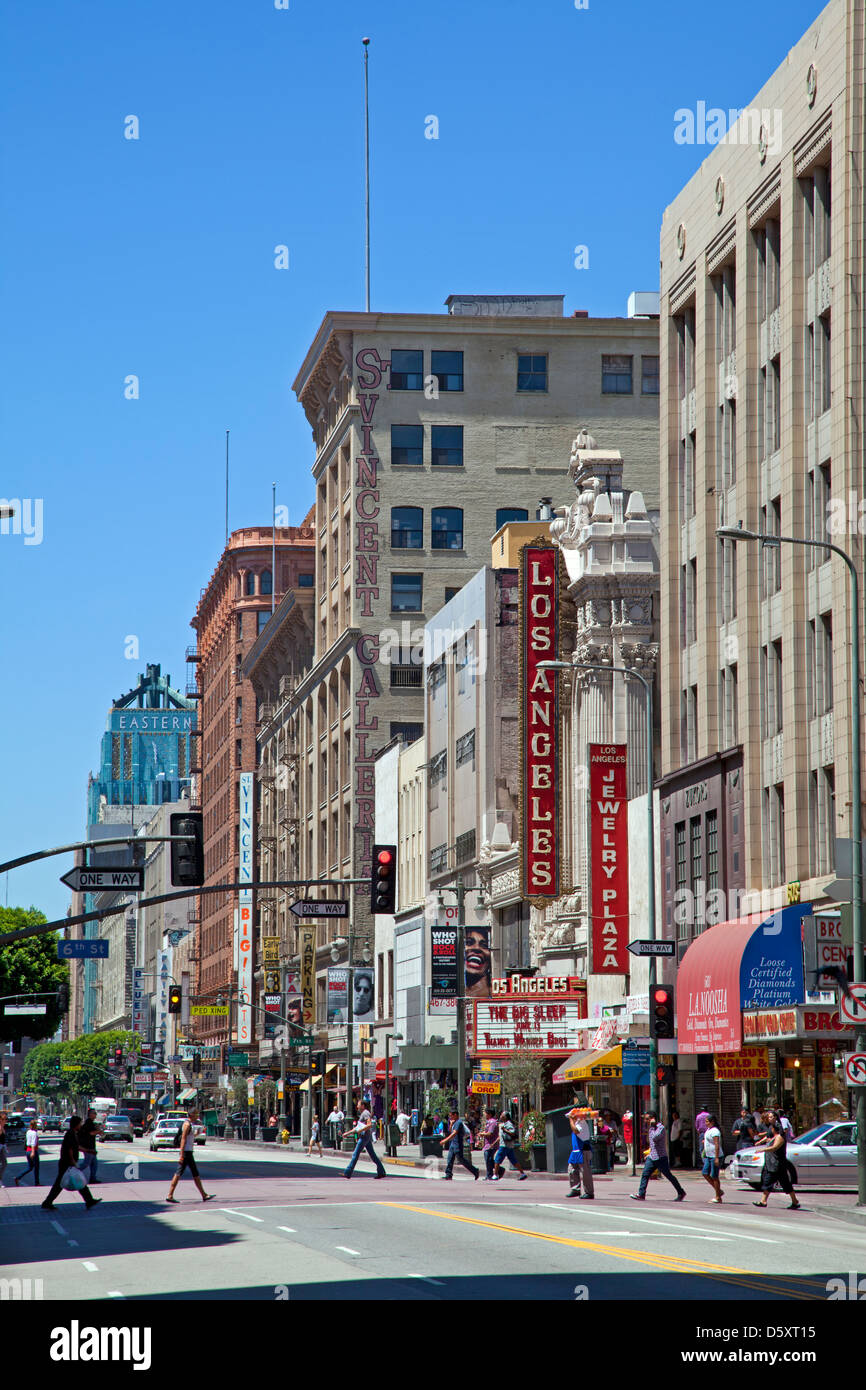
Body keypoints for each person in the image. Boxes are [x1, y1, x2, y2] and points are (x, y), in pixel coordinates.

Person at [41, 1116, 101, 1211]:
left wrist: (89, 1151)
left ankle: (89, 1200)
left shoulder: (73, 1133)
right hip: (67, 1163)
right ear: (76, 1124)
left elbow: (76, 1147)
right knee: (70, 1182)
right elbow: (70, 1149)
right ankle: (48, 1202)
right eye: (80, 1123)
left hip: (67, 1163)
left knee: (72, 1182)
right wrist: (73, 1162)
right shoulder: (70, 1134)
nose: (81, 1125)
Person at [631, 1112, 687, 1202]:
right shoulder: (651, 1128)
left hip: (660, 1157)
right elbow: (652, 1143)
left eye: (647, 1119)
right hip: (652, 1157)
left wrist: (653, 1126)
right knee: (645, 1174)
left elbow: (655, 1138)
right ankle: (641, 1194)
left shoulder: (660, 1128)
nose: (646, 1121)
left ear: (653, 1118)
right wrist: (649, 1153)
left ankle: (681, 1192)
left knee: (668, 1175)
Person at [753, 1111, 800, 1211]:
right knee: (785, 1183)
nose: (769, 1119)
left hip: (777, 1163)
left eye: (771, 1117)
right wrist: (760, 1142)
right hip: (773, 1162)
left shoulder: (780, 1137)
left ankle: (763, 1201)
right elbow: (768, 1137)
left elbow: (774, 1148)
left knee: (768, 1181)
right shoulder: (772, 1128)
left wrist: (761, 1149)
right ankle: (795, 1201)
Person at [165, 1111, 215, 1204]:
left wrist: (197, 1133)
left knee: (194, 1173)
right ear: (191, 1115)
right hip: (186, 1153)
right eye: (196, 1114)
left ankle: (204, 1195)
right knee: (179, 1173)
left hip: (189, 1152)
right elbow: (183, 1139)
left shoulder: (189, 1124)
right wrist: (181, 1154)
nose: (197, 1116)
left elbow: (189, 1137)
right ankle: (170, 1195)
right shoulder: (187, 1124)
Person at [344, 1102, 386, 1179]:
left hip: (364, 1137)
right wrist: (347, 1133)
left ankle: (348, 1172)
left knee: (355, 1154)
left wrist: (361, 1130)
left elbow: (369, 1125)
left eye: (358, 1104)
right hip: (366, 1137)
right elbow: (357, 1128)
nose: (357, 1106)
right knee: (373, 1156)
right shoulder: (363, 1114)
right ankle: (381, 1171)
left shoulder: (365, 1113)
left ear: (362, 1106)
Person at [440, 1110, 480, 1181]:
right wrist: (451, 1124)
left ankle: (475, 1171)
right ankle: (448, 1174)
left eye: (451, 1115)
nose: (450, 1117)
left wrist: (445, 1140)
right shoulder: (454, 1122)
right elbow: (450, 1131)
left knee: (461, 1160)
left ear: (455, 1115)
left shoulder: (459, 1122)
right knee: (450, 1159)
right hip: (453, 1144)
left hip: (458, 1144)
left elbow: (454, 1133)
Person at [565, 1109, 594, 1199]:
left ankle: (589, 1192)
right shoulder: (577, 1122)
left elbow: (576, 1131)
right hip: (576, 1150)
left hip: (583, 1150)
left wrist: (571, 1120)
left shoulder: (581, 1123)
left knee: (585, 1172)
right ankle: (575, 1189)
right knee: (571, 1169)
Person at [494, 1111, 528, 1181]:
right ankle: (522, 1173)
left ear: (505, 1117)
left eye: (501, 1115)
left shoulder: (508, 1124)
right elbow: (500, 1136)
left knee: (497, 1160)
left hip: (505, 1146)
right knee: (514, 1161)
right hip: (508, 1146)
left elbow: (512, 1133)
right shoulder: (503, 1124)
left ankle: (495, 1175)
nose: (500, 1116)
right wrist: (494, 1143)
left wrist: (504, 1130)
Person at [464, 926, 492, 998]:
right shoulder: (451, 990)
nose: (476, 948)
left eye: (484, 945)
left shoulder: (492, 991)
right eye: (469, 942)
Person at [701, 1113, 723, 1203]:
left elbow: (717, 1144)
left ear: (712, 1122)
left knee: (715, 1176)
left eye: (707, 1121)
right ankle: (719, 1191)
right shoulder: (708, 1130)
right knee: (705, 1173)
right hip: (708, 1156)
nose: (705, 1123)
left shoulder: (715, 1131)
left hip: (715, 1156)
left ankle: (718, 1197)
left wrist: (717, 1158)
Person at [15, 1119, 40, 1187]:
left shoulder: (28, 1132)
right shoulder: (34, 1133)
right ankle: (37, 1182)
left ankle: (18, 1177)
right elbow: (33, 1143)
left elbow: (27, 1141)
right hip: (33, 1150)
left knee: (30, 1167)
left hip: (27, 1151)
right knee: (36, 1167)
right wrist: (33, 1152)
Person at [78, 1108, 100, 1185]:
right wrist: (99, 1131)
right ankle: (73, 1171)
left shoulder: (91, 1123)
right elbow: (91, 1133)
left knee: (94, 1163)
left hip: (91, 1146)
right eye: (94, 1113)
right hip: (88, 1147)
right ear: (90, 1114)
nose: (95, 1115)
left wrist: (98, 1130)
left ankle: (92, 1178)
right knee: (86, 1163)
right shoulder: (88, 1123)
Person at [481, 1111, 500, 1180]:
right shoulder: (488, 1122)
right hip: (487, 1143)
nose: (485, 1115)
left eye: (485, 1114)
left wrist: (483, 1134)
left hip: (491, 1144)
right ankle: (495, 1172)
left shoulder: (492, 1122)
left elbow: (490, 1133)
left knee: (488, 1159)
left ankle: (491, 1174)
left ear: (489, 1114)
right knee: (489, 1160)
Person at [0, 1112, 8, 1187]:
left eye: (6, 1119)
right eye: (4, 1119)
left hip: (2, 1148)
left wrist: (5, 1146)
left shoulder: (3, 1127)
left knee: (4, 1163)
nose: (5, 1121)